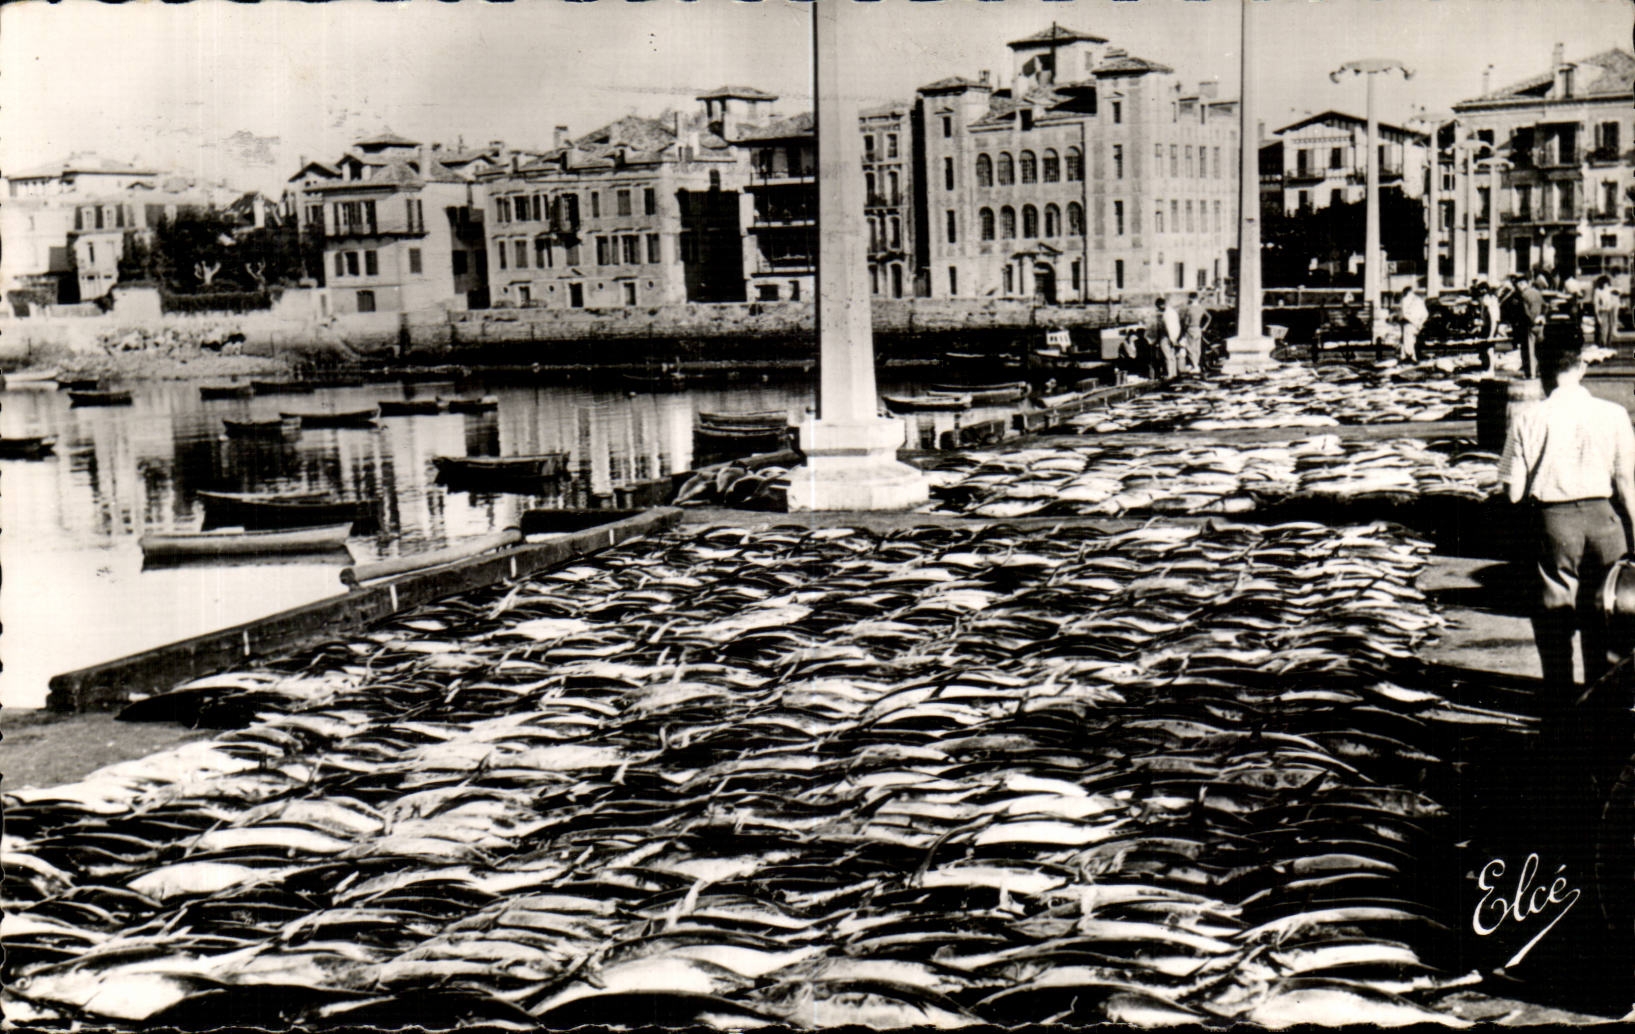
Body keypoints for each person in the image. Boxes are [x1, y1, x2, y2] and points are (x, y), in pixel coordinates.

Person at [1499, 338, 1635, 711]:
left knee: (1555, 619)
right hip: (1605, 521)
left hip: (1553, 522)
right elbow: (1627, 481)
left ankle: (1560, 707)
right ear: (1581, 368)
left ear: (1542, 372)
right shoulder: (1614, 414)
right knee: (1605, 614)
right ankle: (1602, 704)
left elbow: (1512, 492)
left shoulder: (1527, 417)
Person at [1147, 296, 1181, 378]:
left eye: (1158, 307)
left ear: (1161, 305)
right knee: (1172, 356)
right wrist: (1174, 338)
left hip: (1166, 337)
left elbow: (1167, 327)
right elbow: (1177, 326)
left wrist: (1169, 337)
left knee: (1167, 356)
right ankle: (1174, 373)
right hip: (1174, 336)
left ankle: (1169, 374)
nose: (1158, 309)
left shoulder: (1166, 314)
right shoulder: (1173, 312)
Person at [1396, 285, 1428, 363]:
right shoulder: (1419, 300)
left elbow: (1404, 314)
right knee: (1413, 340)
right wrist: (1419, 323)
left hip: (1408, 323)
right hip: (1417, 324)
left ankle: (1409, 357)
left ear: (1405, 292)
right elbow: (1425, 314)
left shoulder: (1405, 300)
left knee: (1407, 341)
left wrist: (1401, 319)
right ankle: (1410, 357)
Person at [1181, 291, 1210, 375]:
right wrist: (1204, 327)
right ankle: (1196, 365)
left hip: (1190, 329)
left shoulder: (1189, 309)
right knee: (1197, 349)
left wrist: (1184, 330)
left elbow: (1186, 322)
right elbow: (1209, 317)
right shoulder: (1201, 307)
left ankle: (1195, 366)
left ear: (1190, 298)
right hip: (1198, 329)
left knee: (1190, 348)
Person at [1594, 274, 1620, 351]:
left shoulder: (1609, 289)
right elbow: (1596, 304)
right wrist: (1597, 315)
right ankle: (1603, 344)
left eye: (1607, 283)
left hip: (1610, 310)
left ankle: (1609, 344)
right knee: (1604, 328)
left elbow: (1618, 291)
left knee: (1610, 327)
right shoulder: (1597, 291)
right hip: (1603, 311)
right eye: (1605, 283)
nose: (1606, 285)